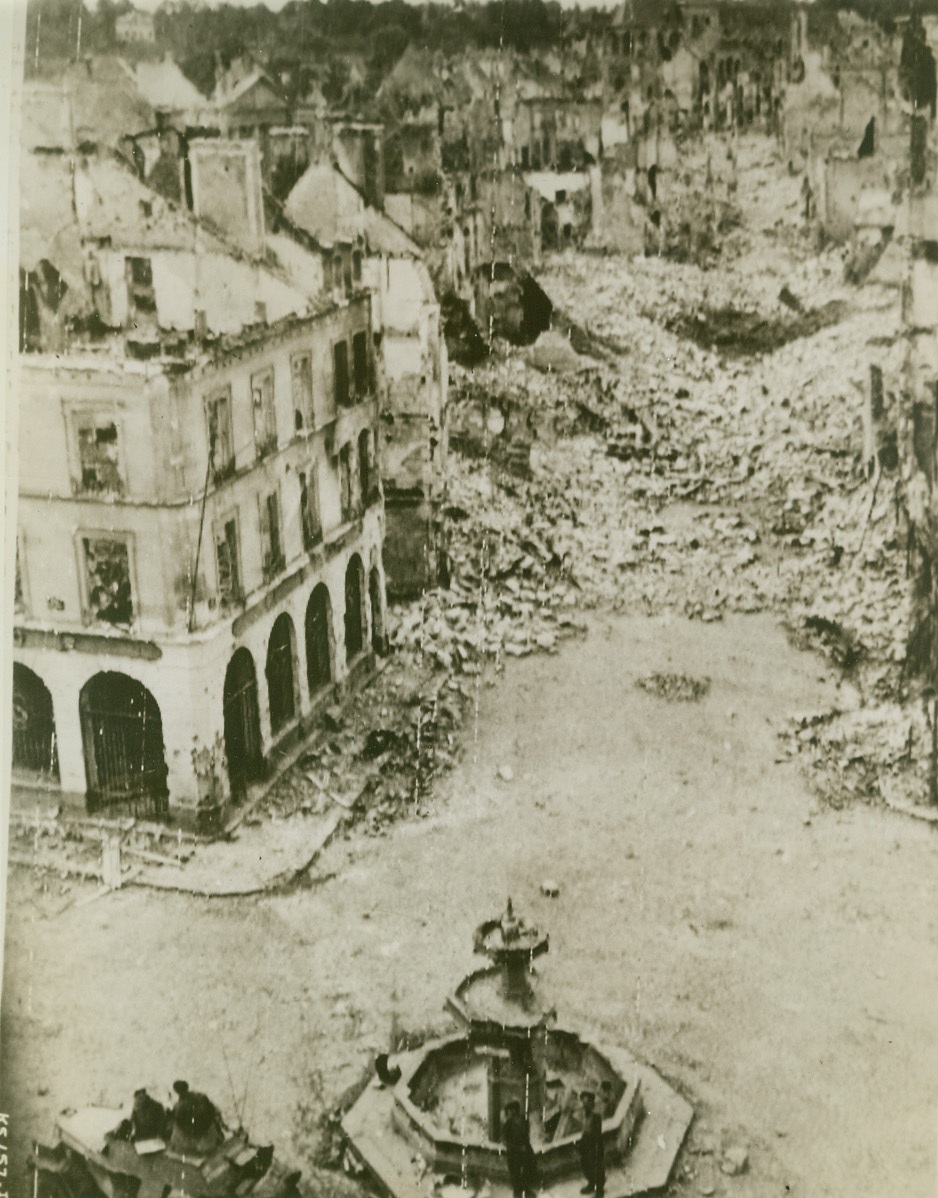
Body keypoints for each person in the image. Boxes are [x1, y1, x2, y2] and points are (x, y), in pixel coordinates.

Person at [169, 1080, 224, 1153]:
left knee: (204, 1149)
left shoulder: (181, 1105)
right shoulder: (200, 1097)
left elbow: (208, 1113)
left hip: (201, 1132)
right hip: (200, 1131)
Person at [502, 1101, 539, 1198]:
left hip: (525, 1150)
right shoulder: (508, 1124)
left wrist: (525, 1147)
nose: (509, 1113)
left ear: (514, 1111)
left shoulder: (524, 1120)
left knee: (528, 1170)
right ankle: (518, 1194)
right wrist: (518, 1148)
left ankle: (527, 1192)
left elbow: (526, 1136)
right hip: (513, 1152)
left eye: (510, 1111)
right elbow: (505, 1141)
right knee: (515, 1176)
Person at [578, 1092, 604, 1197]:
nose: (584, 1105)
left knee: (596, 1166)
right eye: (583, 1102)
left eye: (586, 1102)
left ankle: (600, 1191)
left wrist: (595, 1147)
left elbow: (597, 1133)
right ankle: (591, 1184)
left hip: (594, 1144)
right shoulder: (585, 1115)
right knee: (586, 1165)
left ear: (591, 1103)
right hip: (586, 1143)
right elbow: (585, 1130)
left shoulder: (596, 1116)